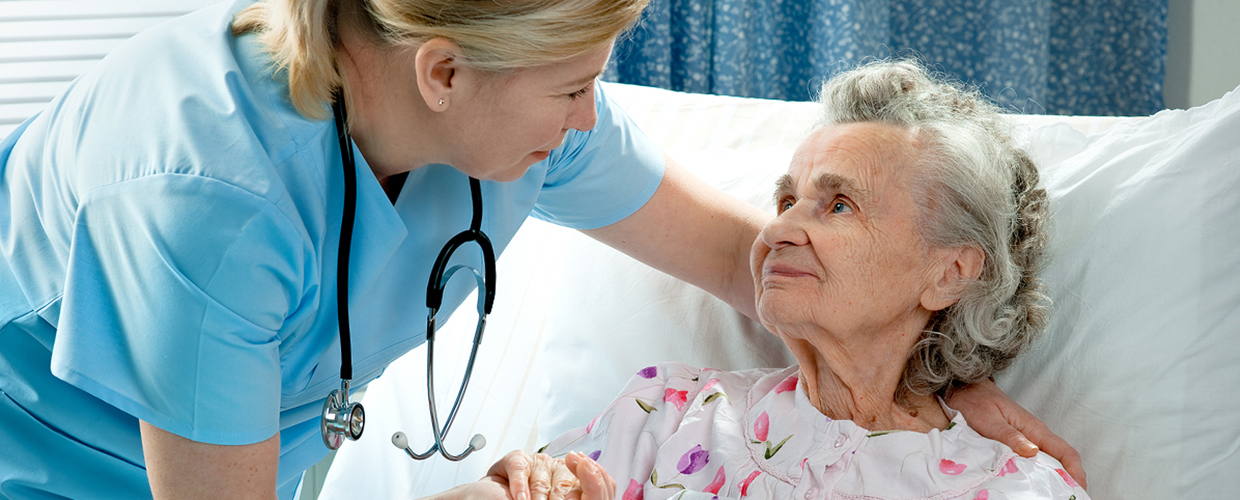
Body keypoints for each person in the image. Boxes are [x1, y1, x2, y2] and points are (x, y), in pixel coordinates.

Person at [0, 0, 1079, 496]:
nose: (587, 118)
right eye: (575, 85)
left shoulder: (516, 120)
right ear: (441, 73)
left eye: (594, 78)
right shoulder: (201, 194)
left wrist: (948, 366)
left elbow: (756, 258)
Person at [534, 59, 1089, 500]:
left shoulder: (1017, 488)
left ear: (950, 273)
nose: (779, 228)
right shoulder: (665, 414)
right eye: (786, 199)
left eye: (840, 205)